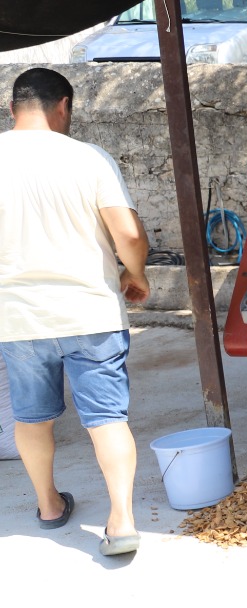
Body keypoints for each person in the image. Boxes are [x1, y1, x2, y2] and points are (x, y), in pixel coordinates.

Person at [0, 69, 149, 556]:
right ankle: (122, 520)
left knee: (31, 417)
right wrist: (137, 274)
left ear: (12, 107)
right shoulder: (88, 157)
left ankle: (47, 505)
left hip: (18, 316)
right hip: (90, 312)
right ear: (63, 105)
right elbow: (126, 234)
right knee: (106, 417)